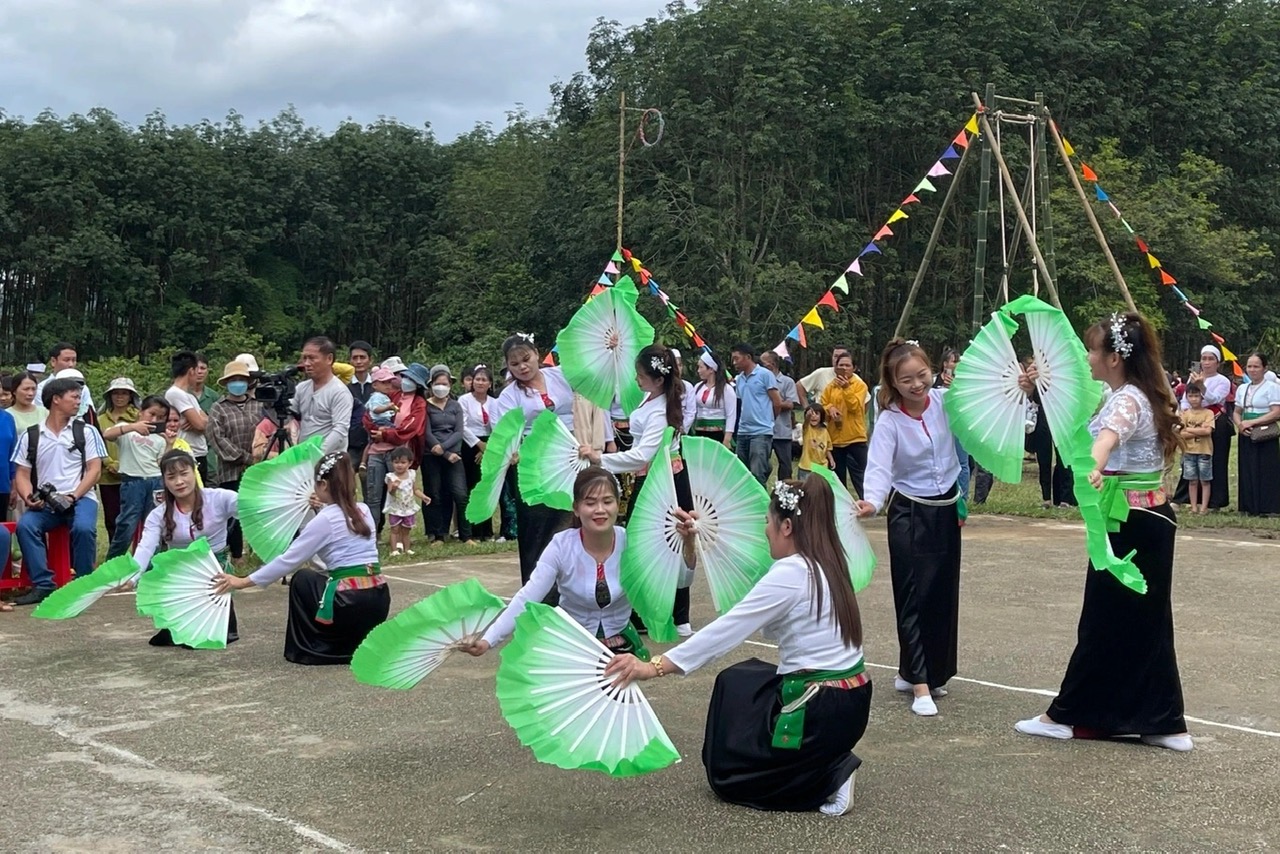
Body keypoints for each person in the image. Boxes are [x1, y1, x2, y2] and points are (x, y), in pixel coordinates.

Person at [606, 475, 869, 816]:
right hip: (852, 701)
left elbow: (727, 630)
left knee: (731, 777)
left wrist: (654, 666)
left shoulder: (790, 573)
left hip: (819, 708)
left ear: (786, 526)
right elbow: (768, 615)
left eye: (768, 522)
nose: (765, 531)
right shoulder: (831, 562)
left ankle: (828, 777)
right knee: (740, 679)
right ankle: (826, 761)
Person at [1014, 311, 1191, 752]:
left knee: (1103, 621)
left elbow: (1105, 439)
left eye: (1095, 350)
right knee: (1144, 623)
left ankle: (1067, 715)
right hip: (1148, 519)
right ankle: (1162, 721)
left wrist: (1093, 466)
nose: (1089, 357)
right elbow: (1078, 407)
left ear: (1114, 358)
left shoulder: (1127, 401)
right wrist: (1039, 386)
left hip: (1129, 524)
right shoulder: (1138, 392)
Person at [857, 339, 961, 716]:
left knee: (942, 594)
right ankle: (919, 684)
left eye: (922, 375)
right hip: (909, 513)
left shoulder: (947, 403)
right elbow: (880, 466)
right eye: (907, 380)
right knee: (913, 595)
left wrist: (1019, 385)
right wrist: (873, 499)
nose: (917, 384)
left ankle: (928, 671)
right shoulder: (890, 421)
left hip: (946, 509)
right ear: (893, 383)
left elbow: (984, 408)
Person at [214, 453, 391, 666]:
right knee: (320, 580)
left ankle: (314, 647)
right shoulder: (363, 510)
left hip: (349, 604)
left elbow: (288, 560)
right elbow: (339, 525)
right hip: (379, 600)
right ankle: (355, 641)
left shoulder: (325, 519)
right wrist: (321, 508)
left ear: (323, 485)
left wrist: (242, 581)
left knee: (303, 579)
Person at [467, 467, 648, 658]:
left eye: (607, 501)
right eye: (590, 502)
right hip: (571, 648)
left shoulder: (633, 544)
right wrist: (489, 639)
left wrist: (684, 542)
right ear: (576, 508)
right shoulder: (561, 546)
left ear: (618, 504)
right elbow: (528, 595)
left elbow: (671, 580)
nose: (600, 510)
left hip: (623, 650)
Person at [583, 344, 694, 636]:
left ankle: (675, 615)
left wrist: (600, 459)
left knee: (671, 543)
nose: (636, 379)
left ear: (658, 379)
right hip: (659, 478)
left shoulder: (660, 411)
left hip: (665, 482)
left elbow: (643, 455)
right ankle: (654, 610)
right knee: (652, 543)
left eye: (641, 375)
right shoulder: (652, 398)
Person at [491, 333, 613, 587]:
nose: (522, 367)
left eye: (526, 359)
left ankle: (584, 588)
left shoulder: (562, 375)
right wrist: (511, 451)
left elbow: (595, 389)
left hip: (574, 456)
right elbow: (503, 431)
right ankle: (539, 595)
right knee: (537, 527)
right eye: (514, 364)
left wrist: (608, 349)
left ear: (537, 354)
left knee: (576, 519)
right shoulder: (508, 396)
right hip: (534, 464)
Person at [10, 378, 108, 604]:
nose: (78, 402)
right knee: (26, 527)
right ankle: (43, 584)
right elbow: (22, 473)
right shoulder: (32, 434)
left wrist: (73, 495)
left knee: (84, 528)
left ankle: (85, 583)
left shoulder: (87, 431)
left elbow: (94, 470)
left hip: (81, 497)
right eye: (74, 397)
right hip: (46, 502)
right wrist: (28, 497)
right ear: (56, 399)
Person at [133, 450, 241, 646]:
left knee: (211, 634)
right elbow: (145, 547)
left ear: (194, 472)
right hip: (181, 576)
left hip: (216, 573)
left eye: (184, 473)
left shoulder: (220, 498)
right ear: (164, 481)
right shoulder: (159, 514)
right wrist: (132, 576)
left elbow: (253, 508)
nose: (179, 482)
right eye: (171, 477)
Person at [105, 396, 177, 558]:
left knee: (154, 523)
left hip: (155, 482)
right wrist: (132, 427)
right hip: (132, 482)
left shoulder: (160, 438)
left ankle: (150, 564)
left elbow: (163, 464)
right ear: (140, 412)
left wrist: (170, 444)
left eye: (160, 418)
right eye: (151, 414)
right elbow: (108, 434)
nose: (154, 419)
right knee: (127, 523)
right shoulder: (127, 429)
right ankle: (113, 562)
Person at [363, 363, 426, 534]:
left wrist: (385, 435)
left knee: (399, 493)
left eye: (411, 379)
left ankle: (399, 535)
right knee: (373, 497)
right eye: (405, 377)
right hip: (376, 451)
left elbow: (409, 428)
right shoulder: (392, 395)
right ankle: (371, 534)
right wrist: (374, 430)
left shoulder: (419, 403)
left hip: (397, 455)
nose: (405, 381)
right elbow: (368, 415)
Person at [207, 361, 260, 560]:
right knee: (232, 512)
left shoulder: (258, 404)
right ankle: (235, 554)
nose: (238, 383)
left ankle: (259, 551)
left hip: (258, 468)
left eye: (242, 380)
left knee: (257, 509)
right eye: (234, 380)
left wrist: (258, 457)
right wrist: (245, 457)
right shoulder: (218, 408)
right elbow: (217, 438)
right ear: (227, 382)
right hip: (230, 469)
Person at [1172, 345, 1231, 510]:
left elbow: (1215, 399)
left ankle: (1214, 501)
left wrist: (1202, 386)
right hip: (1192, 420)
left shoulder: (1223, 381)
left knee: (1215, 460)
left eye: (1211, 359)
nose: (1206, 362)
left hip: (1214, 421)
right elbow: (1185, 399)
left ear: (1217, 362)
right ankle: (1184, 498)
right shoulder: (1193, 378)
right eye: (1204, 358)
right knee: (1190, 458)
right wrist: (1184, 414)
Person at [424, 364, 471, 546]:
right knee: (435, 494)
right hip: (431, 456)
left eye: (445, 383)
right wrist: (441, 451)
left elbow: (459, 432)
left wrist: (444, 449)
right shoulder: (426, 406)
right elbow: (427, 433)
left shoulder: (456, 406)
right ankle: (438, 535)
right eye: (438, 383)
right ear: (431, 384)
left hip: (454, 455)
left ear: (451, 385)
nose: (441, 387)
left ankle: (466, 535)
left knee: (460, 494)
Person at [459, 365, 503, 540]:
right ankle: (474, 530)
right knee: (473, 487)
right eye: (477, 379)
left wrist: (487, 447)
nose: (480, 382)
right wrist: (478, 445)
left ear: (490, 384)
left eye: (484, 379)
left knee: (487, 487)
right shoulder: (464, 400)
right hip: (470, 444)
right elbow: (462, 426)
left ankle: (487, 530)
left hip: (490, 445)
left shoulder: (495, 403)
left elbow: (498, 426)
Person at [730, 343, 783, 485]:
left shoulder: (765, 375)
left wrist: (769, 420)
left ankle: (762, 505)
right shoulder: (739, 379)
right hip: (743, 431)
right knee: (742, 473)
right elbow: (741, 404)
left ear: (748, 357)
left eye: (737, 358)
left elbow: (777, 402)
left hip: (761, 431)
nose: (734, 362)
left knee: (757, 473)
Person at [1235, 353, 1280, 516]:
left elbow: (1276, 412)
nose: (1252, 370)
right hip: (1246, 431)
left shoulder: (1272, 388)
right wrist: (1240, 424)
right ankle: (1248, 506)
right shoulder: (1242, 388)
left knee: (1266, 469)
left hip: (1264, 432)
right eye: (1249, 366)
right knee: (1247, 468)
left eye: (1256, 366)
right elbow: (1237, 411)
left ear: (1264, 368)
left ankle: (1268, 507)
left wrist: (1253, 422)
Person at [97, 378, 141, 543]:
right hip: (107, 475)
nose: (119, 397)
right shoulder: (100, 419)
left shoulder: (138, 418)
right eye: (116, 393)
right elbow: (96, 444)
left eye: (124, 393)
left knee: (133, 517)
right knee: (111, 517)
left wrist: (121, 464)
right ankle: (115, 554)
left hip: (132, 473)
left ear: (131, 396)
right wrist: (109, 462)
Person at [821, 352, 870, 498]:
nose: (844, 368)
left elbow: (855, 407)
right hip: (835, 438)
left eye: (847, 365)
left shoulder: (860, 385)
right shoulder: (831, 386)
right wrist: (830, 409)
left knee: (861, 474)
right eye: (841, 365)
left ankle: (868, 502)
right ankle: (842, 506)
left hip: (855, 438)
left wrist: (847, 388)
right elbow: (823, 403)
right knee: (837, 476)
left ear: (854, 368)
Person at [295, 336, 353, 455]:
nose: (306, 363)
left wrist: (318, 453)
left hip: (329, 460)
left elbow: (340, 430)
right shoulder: (301, 388)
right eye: (304, 358)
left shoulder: (339, 392)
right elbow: (289, 414)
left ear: (329, 359)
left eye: (312, 358)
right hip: (303, 457)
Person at [165, 351, 211, 481]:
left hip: (199, 453)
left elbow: (209, 421)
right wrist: (199, 421)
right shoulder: (175, 393)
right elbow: (201, 424)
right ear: (191, 371)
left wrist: (200, 421)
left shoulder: (189, 396)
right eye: (197, 369)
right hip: (188, 453)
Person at [760, 351, 800, 481]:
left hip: (782, 430)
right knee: (761, 464)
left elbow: (791, 404)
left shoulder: (787, 382)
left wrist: (775, 403)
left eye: (762, 364)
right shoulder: (759, 380)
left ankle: (785, 492)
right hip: (763, 429)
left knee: (785, 465)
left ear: (771, 365)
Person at [384, 446, 430, 555]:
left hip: (408, 508)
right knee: (394, 529)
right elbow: (390, 492)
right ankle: (394, 550)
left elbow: (415, 489)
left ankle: (407, 549)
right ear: (392, 463)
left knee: (406, 530)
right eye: (396, 462)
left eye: (403, 462)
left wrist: (423, 496)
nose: (399, 465)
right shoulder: (391, 477)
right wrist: (394, 487)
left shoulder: (412, 474)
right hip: (395, 508)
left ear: (409, 463)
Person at [1178, 381, 1214, 515]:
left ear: (1202, 397)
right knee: (1192, 480)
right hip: (1189, 451)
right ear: (1186, 397)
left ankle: (1204, 507)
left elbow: (1207, 432)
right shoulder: (1185, 414)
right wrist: (1197, 429)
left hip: (1204, 451)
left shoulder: (1208, 413)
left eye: (1197, 396)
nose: (1194, 399)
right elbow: (1180, 433)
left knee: (1205, 480)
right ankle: (1193, 507)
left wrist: (1188, 429)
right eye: (1191, 396)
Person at [34, 342, 94, 420]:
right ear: (53, 361)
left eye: (74, 360)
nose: (71, 364)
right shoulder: (41, 388)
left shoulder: (83, 387)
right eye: (66, 360)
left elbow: (89, 413)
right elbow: (42, 415)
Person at [692, 351, 736, 447]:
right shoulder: (698, 387)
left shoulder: (726, 389)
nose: (698, 371)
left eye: (701, 367)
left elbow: (731, 415)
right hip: (700, 433)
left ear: (711, 369)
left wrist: (727, 439)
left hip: (718, 434)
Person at [359, 368, 399, 470]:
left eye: (389, 382)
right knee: (396, 435)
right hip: (380, 421)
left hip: (380, 420)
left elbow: (367, 407)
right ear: (375, 385)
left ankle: (363, 462)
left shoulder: (381, 396)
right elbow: (376, 410)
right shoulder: (378, 396)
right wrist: (388, 407)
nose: (388, 385)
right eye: (384, 383)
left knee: (371, 442)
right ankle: (364, 462)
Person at [346, 340, 375, 475]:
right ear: (349, 361)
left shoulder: (378, 385)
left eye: (362, 357)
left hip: (373, 444)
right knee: (345, 485)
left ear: (370, 360)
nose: (358, 361)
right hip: (349, 444)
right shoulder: (343, 387)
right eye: (355, 358)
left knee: (371, 488)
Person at [798, 403, 835, 479]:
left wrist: (831, 460)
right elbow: (806, 424)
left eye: (817, 414)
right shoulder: (807, 429)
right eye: (811, 414)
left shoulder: (825, 431)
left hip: (822, 467)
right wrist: (807, 417)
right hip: (807, 467)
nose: (814, 416)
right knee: (805, 489)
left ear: (821, 416)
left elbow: (827, 448)